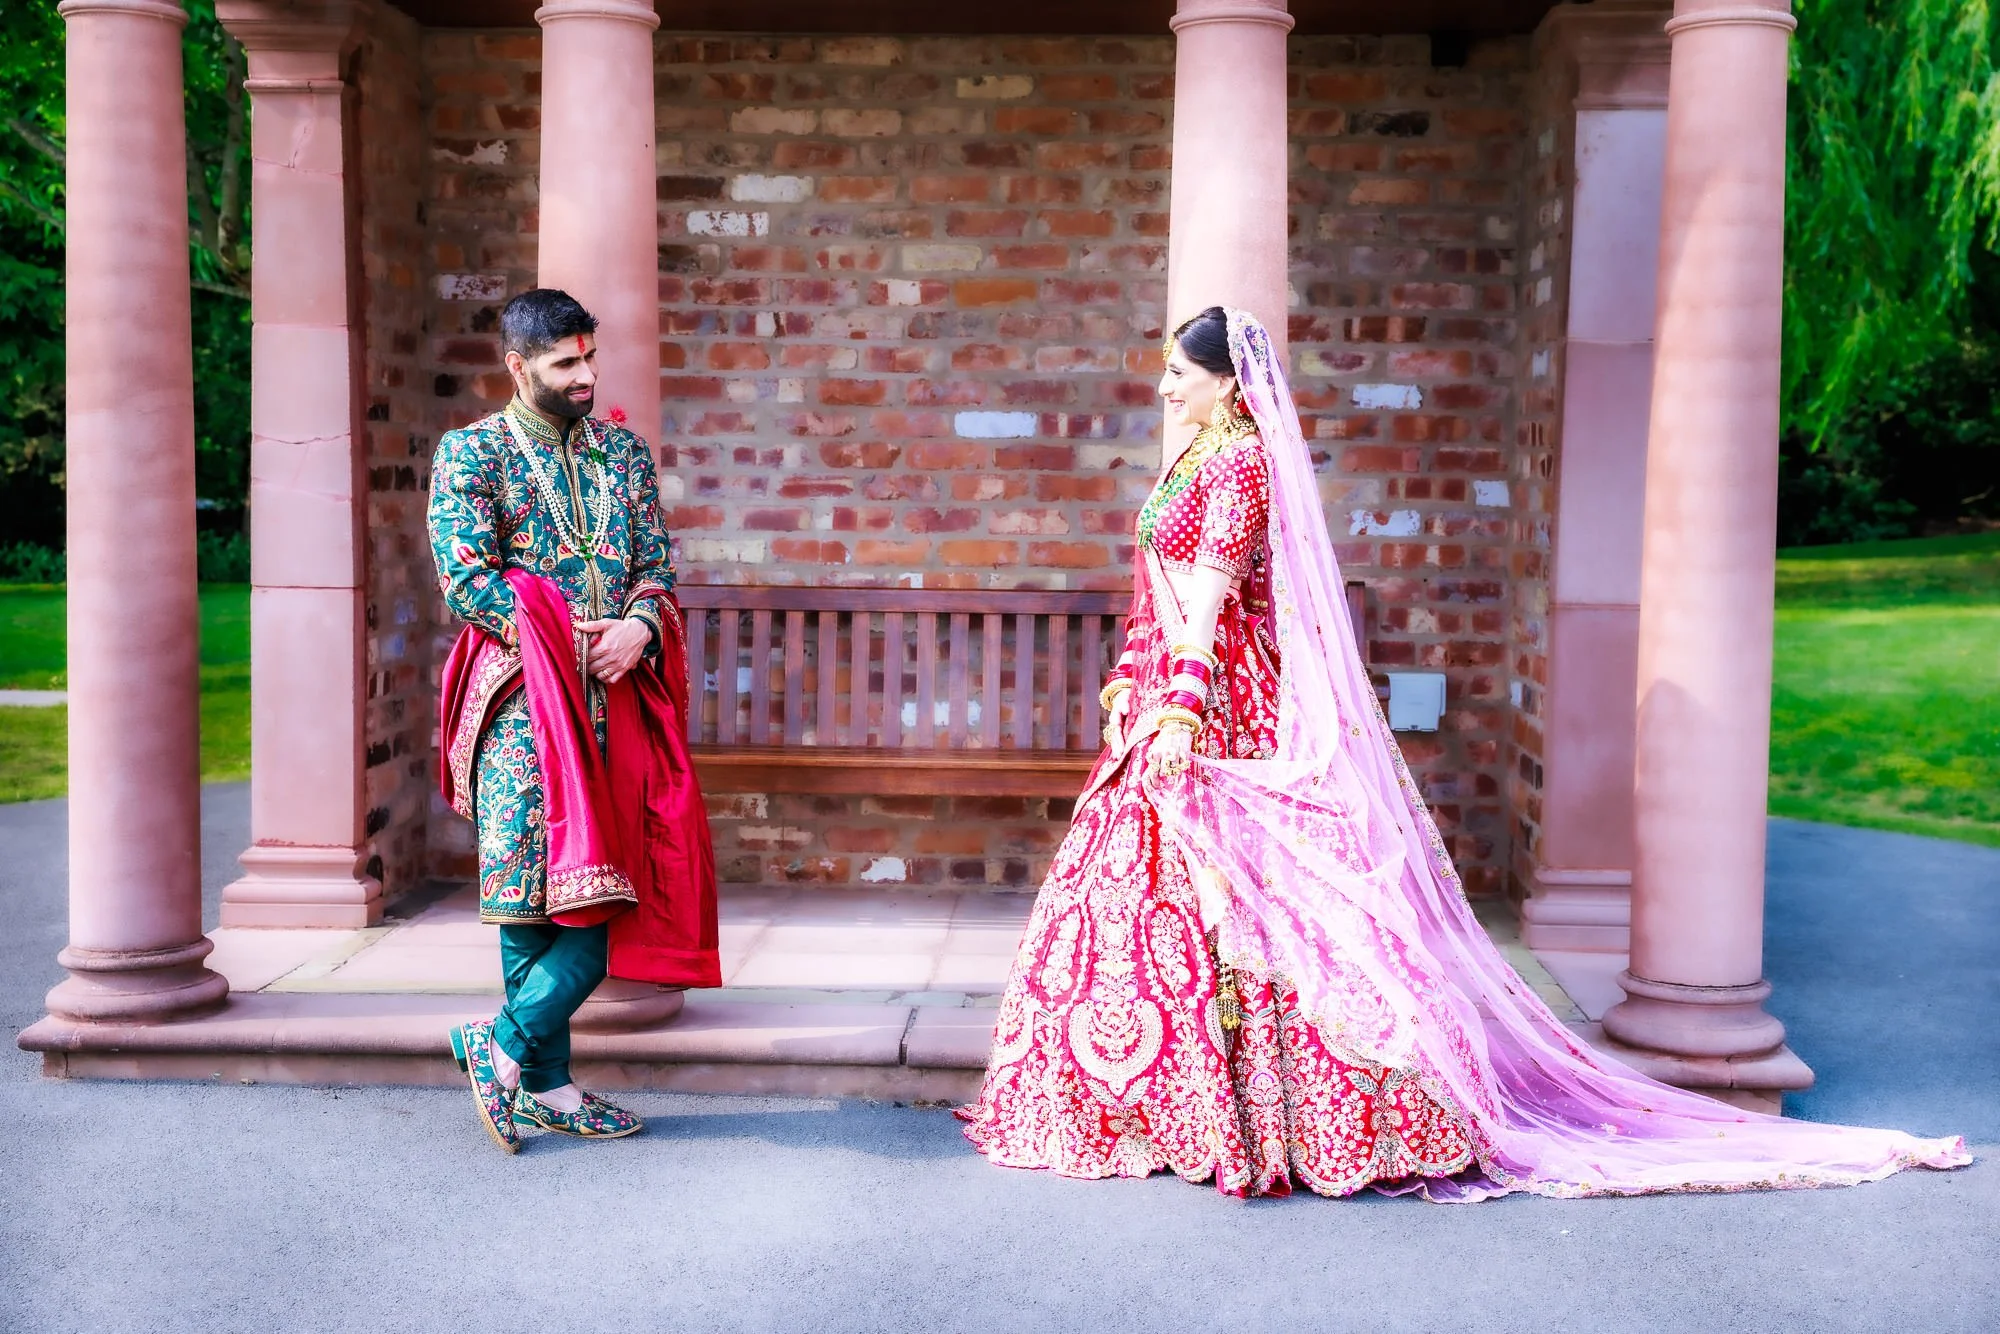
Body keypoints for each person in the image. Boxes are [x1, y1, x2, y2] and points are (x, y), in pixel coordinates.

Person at [958, 305, 1968, 1200]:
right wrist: (1133, 691)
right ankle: (1156, 1111)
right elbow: (1163, 595)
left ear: (1226, 382)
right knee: (1145, 908)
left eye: (1179, 371)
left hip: (1216, 711)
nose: (1164, 385)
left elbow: (1213, 602)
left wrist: (1179, 710)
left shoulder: (1237, 465)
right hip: (1166, 701)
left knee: (1261, 909)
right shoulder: (1193, 457)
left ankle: (1301, 1116)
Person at [428, 288, 718, 1153]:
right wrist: (560, 641)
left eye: (590, 357)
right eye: (566, 364)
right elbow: (467, 578)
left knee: (608, 895)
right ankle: (548, 1086)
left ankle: (499, 1045)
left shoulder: (623, 454)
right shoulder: (473, 453)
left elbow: (655, 566)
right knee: (532, 904)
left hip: (619, 701)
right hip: (523, 704)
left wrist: (639, 628)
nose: (586, 375)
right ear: (519, 367)